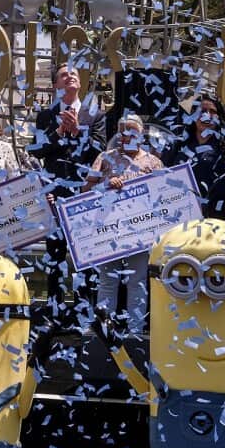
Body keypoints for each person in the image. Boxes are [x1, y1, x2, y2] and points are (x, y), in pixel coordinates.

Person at [29, 64, 106, 316]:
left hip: (86, 193)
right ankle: (54, 308)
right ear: (56, 85)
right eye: (64, 75)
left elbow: (101, 153)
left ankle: (85, 310)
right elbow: (37, 151)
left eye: (73, 74)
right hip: (55, 193)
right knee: (55, 254)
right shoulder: (45, 115)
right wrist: (60, 131)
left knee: (87, 253)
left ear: (79, 83)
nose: (70, 76)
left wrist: (77, 132)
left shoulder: (94, 114)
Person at [84, 114, 164, 334]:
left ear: (140, 135)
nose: (125, 136)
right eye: (121, 131)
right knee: (107, 281)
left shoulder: (153, 161)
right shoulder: (104, 157)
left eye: (130, 131)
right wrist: (105, 184)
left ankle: (135, 331)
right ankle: (103, 329)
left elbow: (164, 194)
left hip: (140, 232)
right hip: (108, 231)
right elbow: (84, 192)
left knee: (137, 282)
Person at [160, 95, 225, 220]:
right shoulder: (178, 143)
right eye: (202, 111)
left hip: (215, 217)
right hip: (180, 216)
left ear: (219, 117)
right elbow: (161, 175)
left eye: (212, 112)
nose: (207, 115)